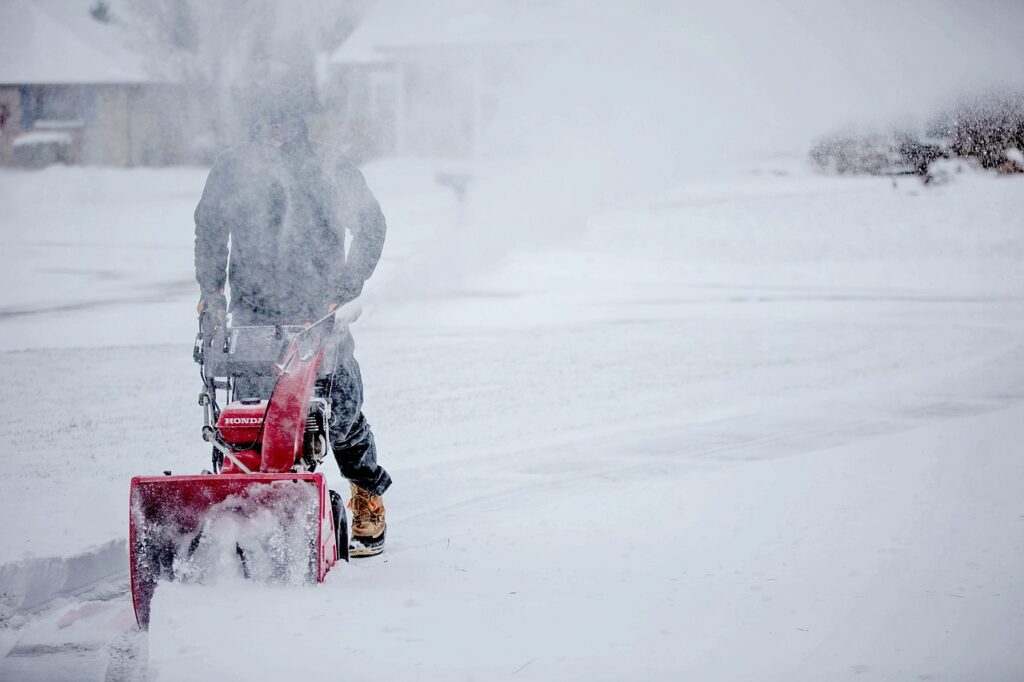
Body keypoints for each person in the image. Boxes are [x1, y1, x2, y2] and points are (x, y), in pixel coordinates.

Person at [193, 89, 391, 557]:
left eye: (284, 126)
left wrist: (344, 288)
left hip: (318, 309)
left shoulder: (328, 167)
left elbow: (371, 224)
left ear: (299, 125)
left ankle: (367, 493)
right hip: (254, 309)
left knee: (338, 408)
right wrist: (210, 292)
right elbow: (210, 228)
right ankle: (243, 505)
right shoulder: (233, 169)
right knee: (249, 414)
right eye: (267, 127)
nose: (276, 136)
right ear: (255, 127)